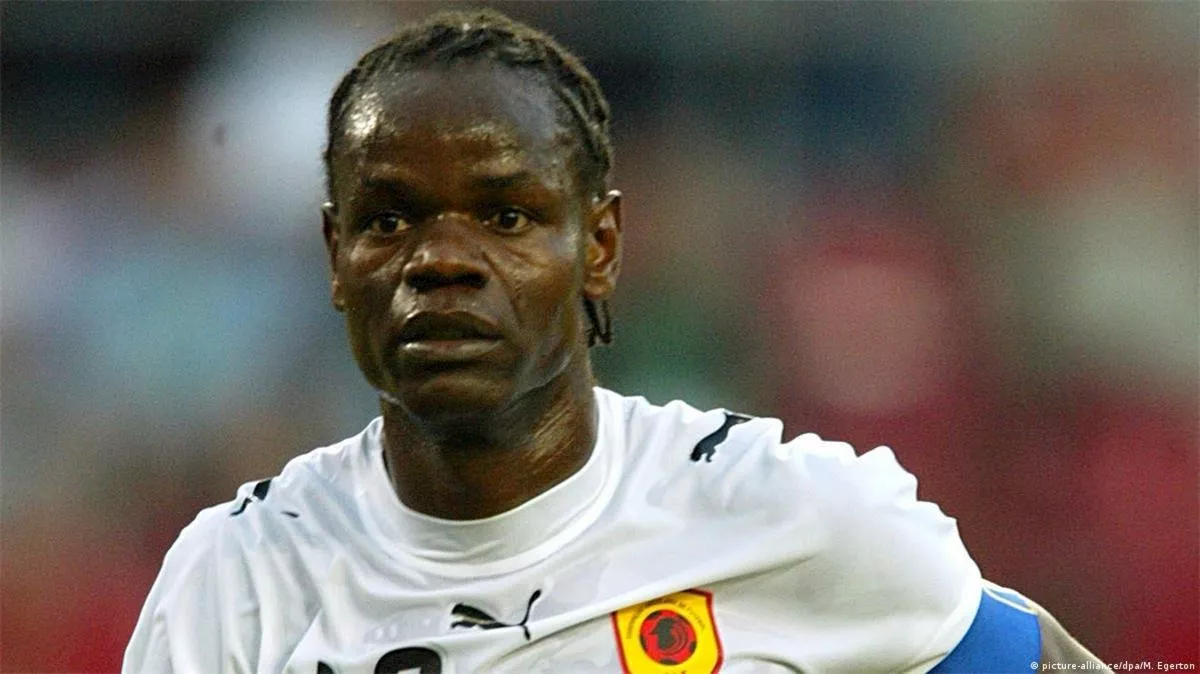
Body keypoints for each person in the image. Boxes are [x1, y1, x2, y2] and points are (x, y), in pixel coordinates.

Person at [124, 10, 1108, 673]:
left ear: (598, 247)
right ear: (336, 257)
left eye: (506, 216)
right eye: (389, 220)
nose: (442, 260)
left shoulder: (794, 517)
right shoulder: (237, 583)